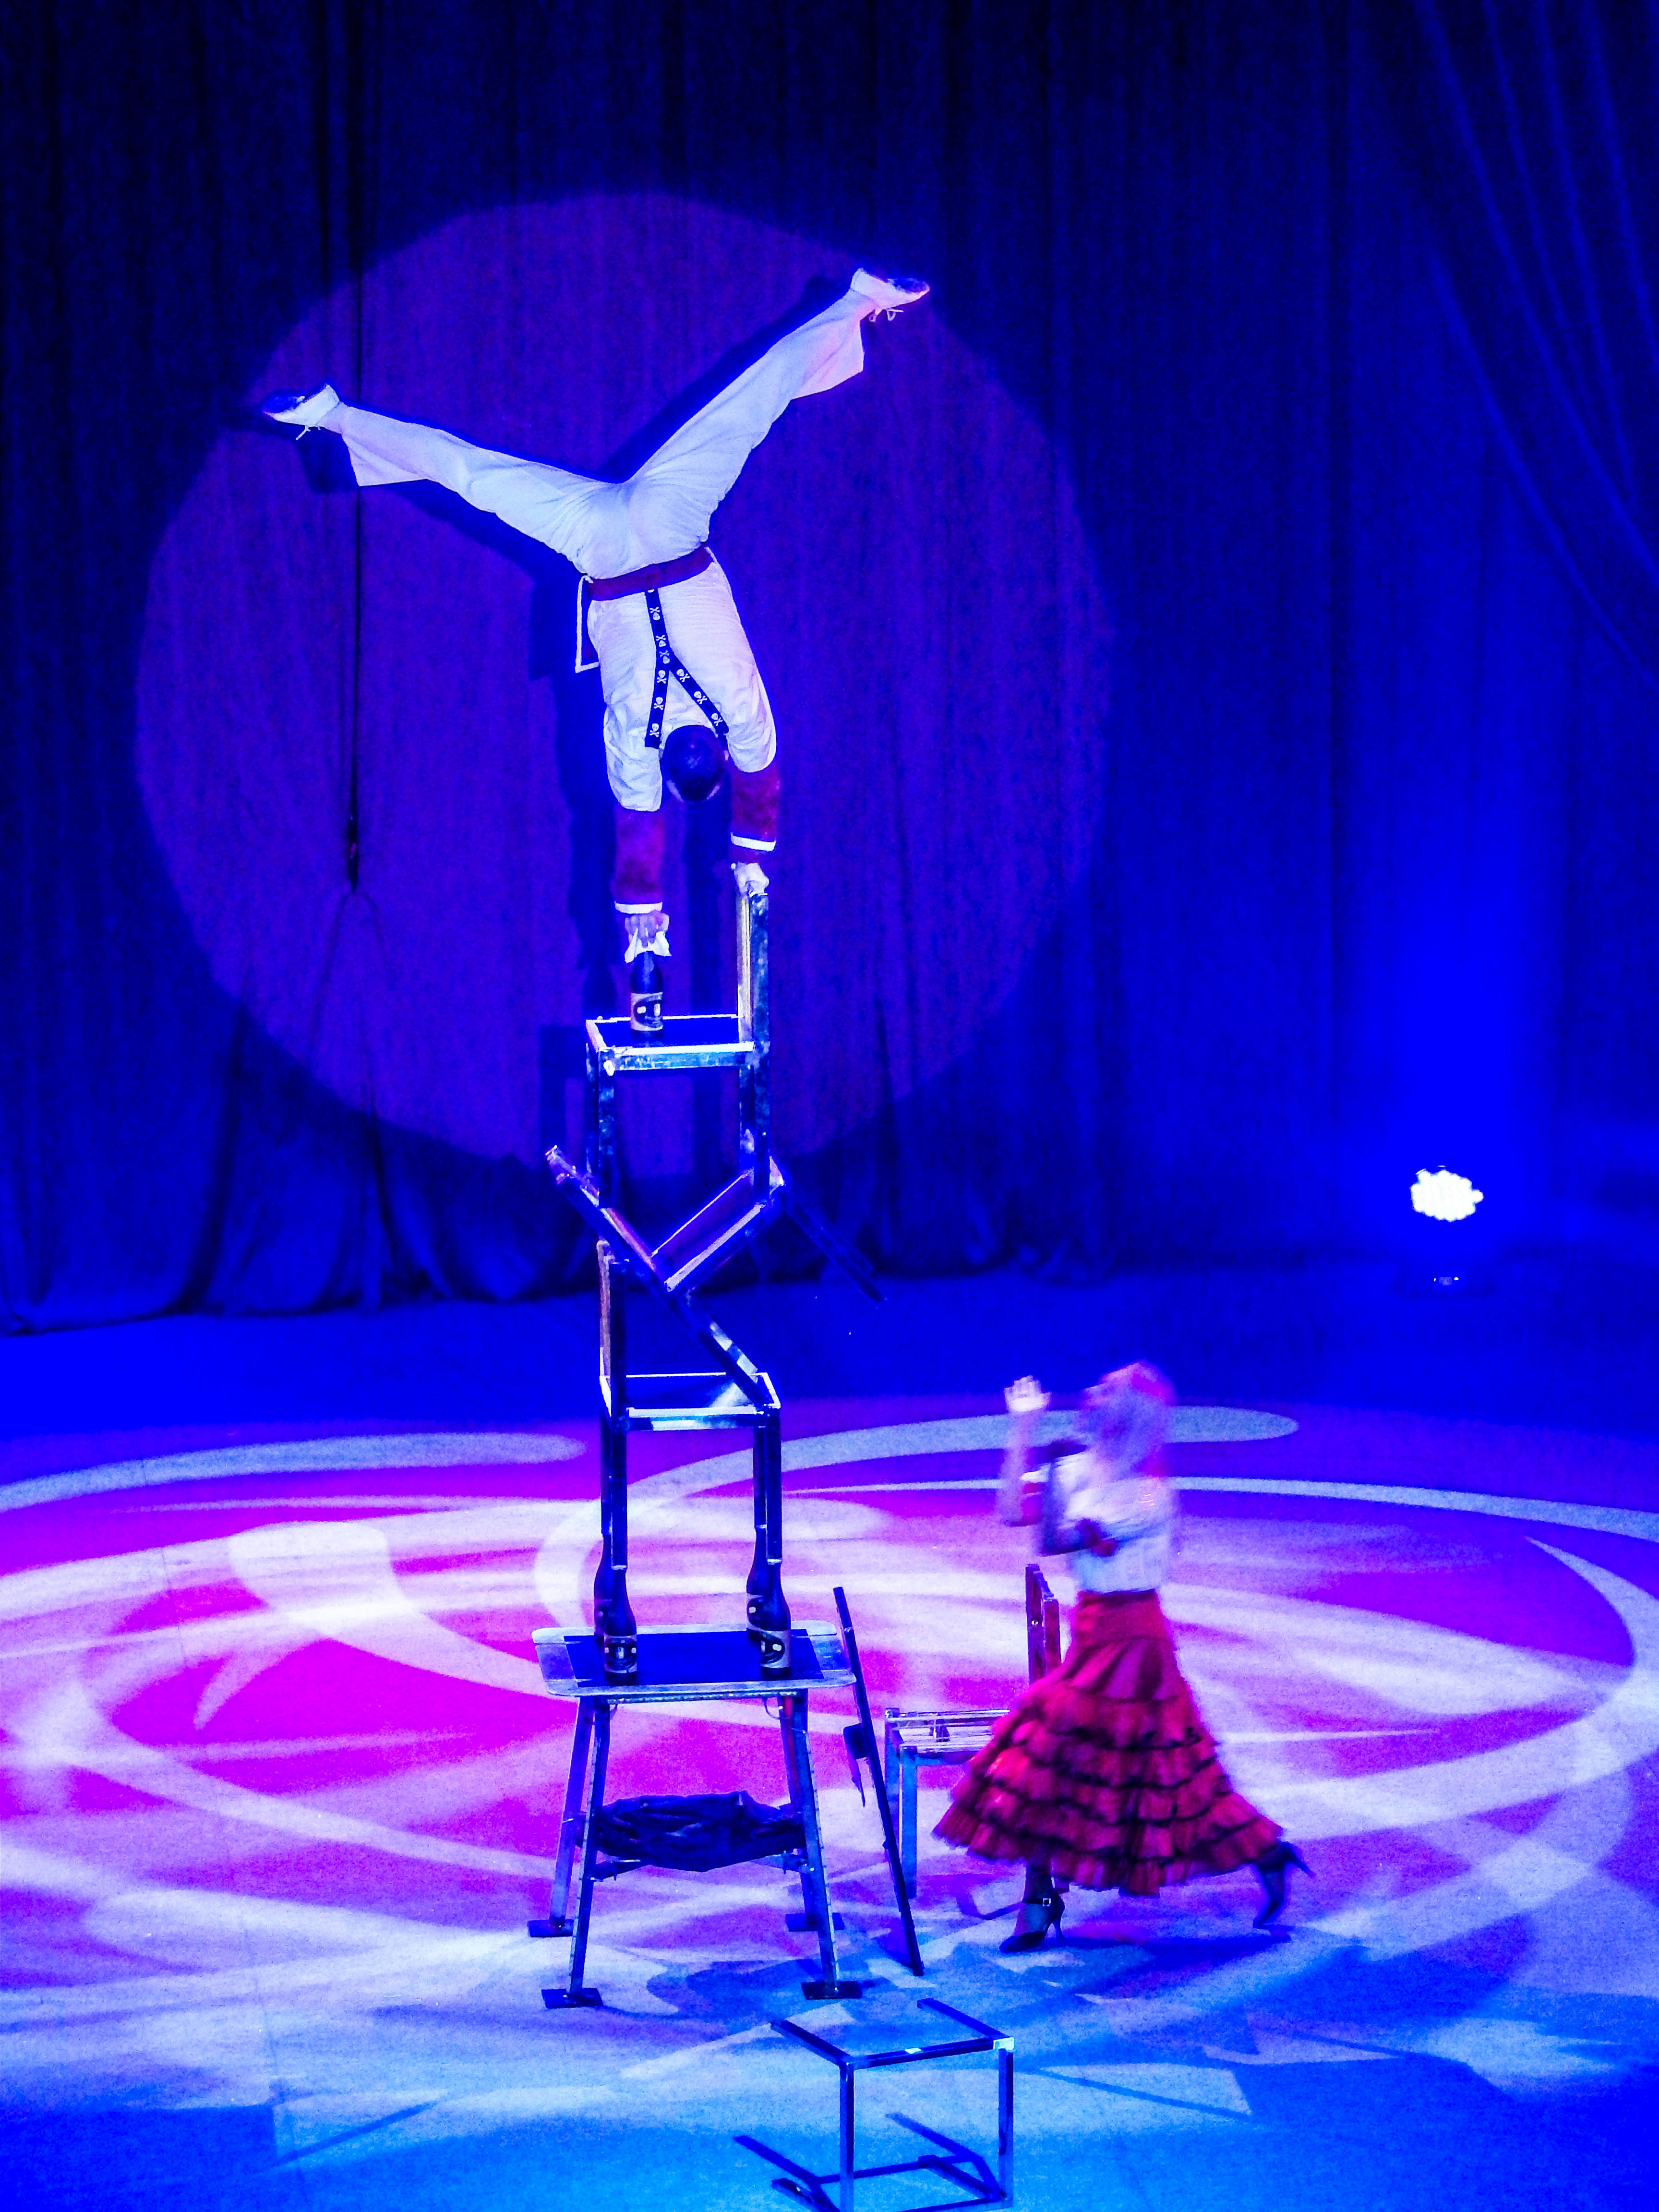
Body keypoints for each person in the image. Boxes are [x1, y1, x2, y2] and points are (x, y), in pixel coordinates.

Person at [260, 268, 929, 1026]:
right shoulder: (634, 752)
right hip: (606, 545)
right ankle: (333, 418)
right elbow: (639, 850)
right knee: (472, 476)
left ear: (713, 747)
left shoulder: (740, 717)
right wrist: (665, 939)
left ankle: (860, 298)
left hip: (667, 522)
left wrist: (754, 861)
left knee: (747, 404)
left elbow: (757, 787)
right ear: (676, 766)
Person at [935, 1363, 1309, 1950]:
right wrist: (1022, 1430)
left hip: (1134, 1648)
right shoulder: (1081, 1467)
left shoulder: (1148, 1495)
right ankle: (1266, 1851)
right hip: (1093, 1633)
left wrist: (1055, 1469)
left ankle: (1039, 1903)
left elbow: (1053, 1539)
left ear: (1128, 1412)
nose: (1091, 1393)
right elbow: (1010, 1511)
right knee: (1144, 1780)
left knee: (1078, 1770)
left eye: (1106, 1389)